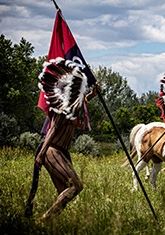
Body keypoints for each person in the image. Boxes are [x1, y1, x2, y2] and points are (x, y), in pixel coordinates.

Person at [31, 58, 100, 222]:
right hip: (52, 151)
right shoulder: (62, 108)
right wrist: (41, 154)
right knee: (76, 186)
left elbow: (82, 103)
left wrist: (92, 95)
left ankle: (49, 224)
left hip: (61, 152)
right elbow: (52, 129)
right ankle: (44, 219)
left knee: (64, 193)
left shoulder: (73, 107)